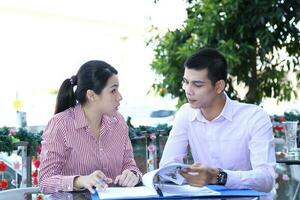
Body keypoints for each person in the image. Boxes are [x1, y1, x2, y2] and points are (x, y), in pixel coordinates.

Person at [159, 48, 276, 199]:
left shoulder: (254, 117)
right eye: (186, 82)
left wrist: (219, 176)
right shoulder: (185, 113)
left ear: (219, 86)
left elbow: (267, 179)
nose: (188, 90)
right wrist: (182, 175)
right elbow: (167, 168)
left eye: (198, 84)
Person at [39, 60, 141, 194]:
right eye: (113, 91)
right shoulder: (60, 124)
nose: (120, 97)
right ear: (92, 95)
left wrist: (132, 174)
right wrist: (80, 181)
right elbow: (45, 182)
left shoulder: (118, 122)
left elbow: (129, 164)